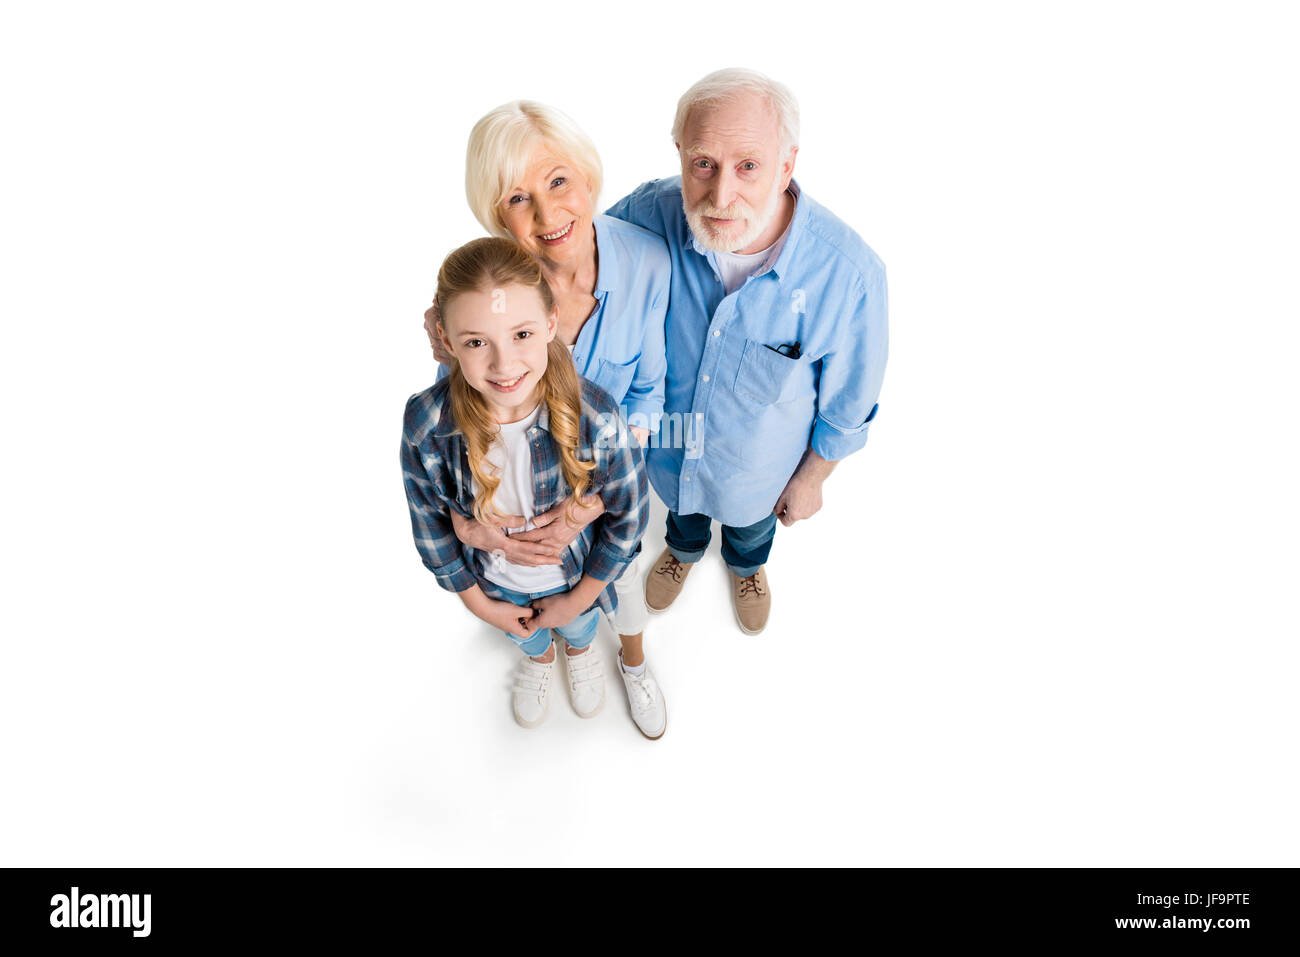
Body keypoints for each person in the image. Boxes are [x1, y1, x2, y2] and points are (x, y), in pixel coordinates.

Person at [605, 68, 889, 636]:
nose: (720, 195)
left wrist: (812, 480)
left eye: (749, 167)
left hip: (757, 473)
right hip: (671, 450)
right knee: (682, 516)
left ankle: (747, 566)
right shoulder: (646, 214)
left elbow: (850, 401)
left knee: (751, 530)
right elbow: (577, 271)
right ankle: (683, 551)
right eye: (703, 164)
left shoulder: (850, 275)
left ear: (787, 166)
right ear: (680, 153)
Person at [423, 101, 670, 739]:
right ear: (494, 213)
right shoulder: (491, 287)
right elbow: (462, 410)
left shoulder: (647, 261)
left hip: (604, 489)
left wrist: (589, 504)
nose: (546, 212)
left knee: (624, 589)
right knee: (532, 594)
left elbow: (646, 391)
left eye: (557, 180)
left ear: (586, 175)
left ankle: (634, 661)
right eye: (517, 198)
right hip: (520, 502)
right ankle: (552, 651)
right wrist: (477, 526)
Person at [402, 237, 648, 729]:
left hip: (575, 578)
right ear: (447, 342)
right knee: (527, 635)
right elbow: (428, 522)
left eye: (521, 334)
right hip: (495, 585)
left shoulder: (594, 416)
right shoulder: (427, 423)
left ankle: (579, 650)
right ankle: (538, 657)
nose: (504, 364)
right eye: (476, 342)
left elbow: (630, 515)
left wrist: (577, 601)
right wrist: (482, 606)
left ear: (551, 324)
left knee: (578, 629)